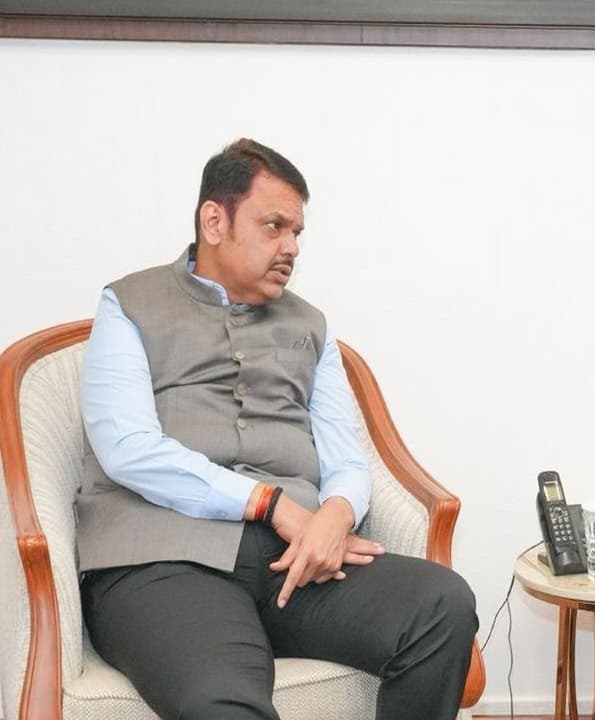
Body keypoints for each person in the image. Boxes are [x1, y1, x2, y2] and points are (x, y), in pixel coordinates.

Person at [78, 138, 478, 720]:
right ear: (214, 220)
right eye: (273, 227)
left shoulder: (311, 325)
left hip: (297, 562)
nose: (290, 247)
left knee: (440, 603)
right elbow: (128, 449)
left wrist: (335, 518)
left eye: (297, 232)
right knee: (222, 699)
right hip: (164, 562)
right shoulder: (129, 304)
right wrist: (271, 504)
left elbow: (346, 455)